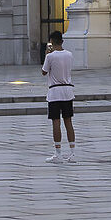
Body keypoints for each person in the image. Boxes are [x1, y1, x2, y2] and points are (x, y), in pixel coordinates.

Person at [42, 30, 77, 162]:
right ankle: (73, 153)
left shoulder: (50, 56)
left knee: (56, 121)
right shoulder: (69, 54)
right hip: (68, 91)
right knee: (68, 121)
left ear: (51, 42)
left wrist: (47, 54)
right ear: (62, 41)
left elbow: (44, 72)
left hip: (55, 92)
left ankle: (58, 153)